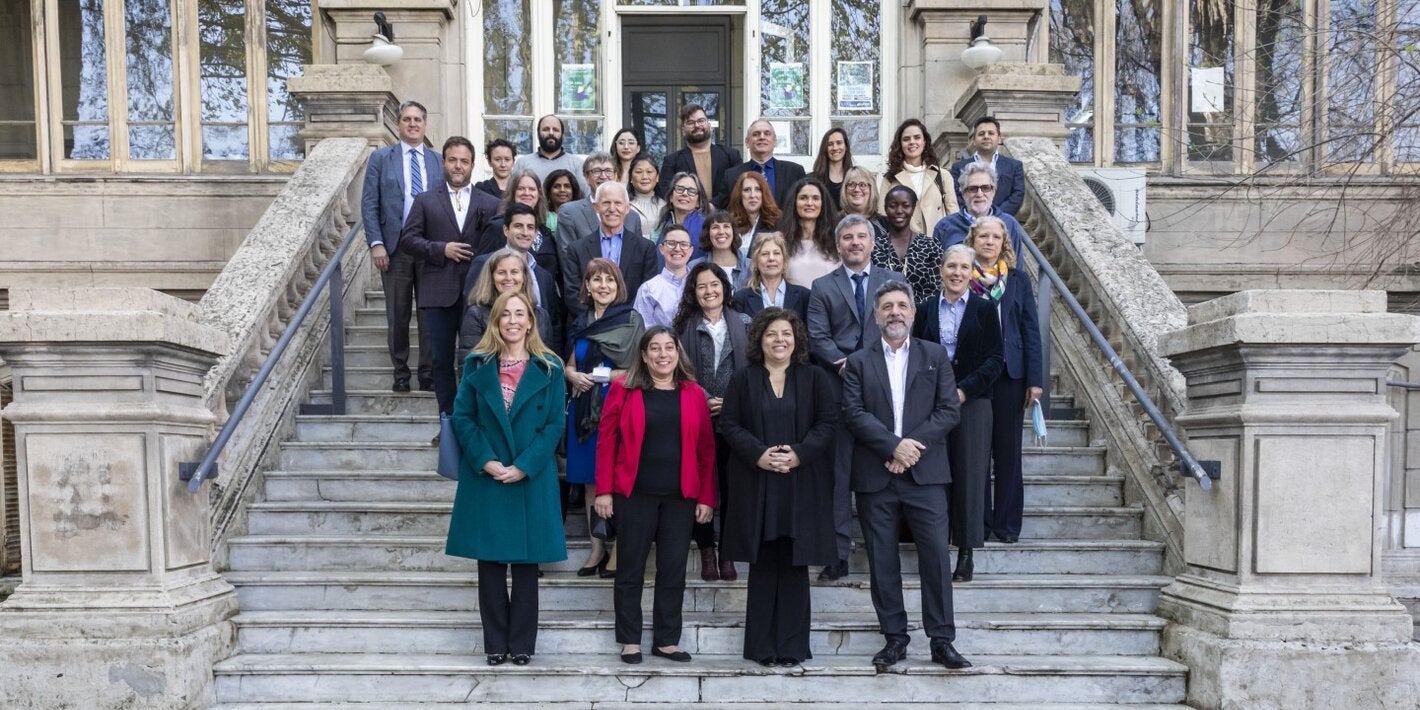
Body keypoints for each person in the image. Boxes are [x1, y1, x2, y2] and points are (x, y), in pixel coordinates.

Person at [842, 279, 971, 671]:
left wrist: (910, 448)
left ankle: (942, 640)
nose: (895, 312)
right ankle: (894, 638)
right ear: (876, 315)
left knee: (935, 559)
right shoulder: (858, 362)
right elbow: (853, 412)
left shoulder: (935, 355)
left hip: (926, 475)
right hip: (876, 474)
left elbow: (948, 410)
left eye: (901, 305)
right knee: (882, 560)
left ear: (913, 312)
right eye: (887, 306)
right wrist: (892, 447)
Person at [445, 290, 567, 667]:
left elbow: (554, 424)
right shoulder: (477, 364)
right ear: (496, 322)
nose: (513, 321)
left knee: (527, 567)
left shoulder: (550, 366)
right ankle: (495, 643)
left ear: (530, 322)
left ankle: (523, 644)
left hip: (530, 476)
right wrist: (486, 460)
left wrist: (525, 465)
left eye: (520, 314)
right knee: (491, 566)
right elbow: (463, 417)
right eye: (505, 314)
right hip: (488, 475)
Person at [719, 308, 839, 666]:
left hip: (800, 483)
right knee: (762, 563)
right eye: (771, 334)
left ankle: (792, 647)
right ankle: (761, 647)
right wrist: (758, 454)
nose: (779, 340)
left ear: (796, 339)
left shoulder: (815, 378)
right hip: (757, 482)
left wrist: (799, 454)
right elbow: (730, 424)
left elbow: (827, 423)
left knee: (794, 564)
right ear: (759, 339)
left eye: (786, 333)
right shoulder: (743, 379)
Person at [594, 327, 716, 665]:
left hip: (681, 497)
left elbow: (706, 449)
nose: (663, 354)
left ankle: (666, 640)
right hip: (634, 494)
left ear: (678, 353)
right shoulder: (623, 388)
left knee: (673, 570)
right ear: (644, 356)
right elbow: (607, 442)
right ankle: (630, 640)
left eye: (669, 348)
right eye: (655, 348)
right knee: (630, 569)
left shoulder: (694, 393)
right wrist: (603, 490)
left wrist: (706, 497)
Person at [806, 215, 904, 581]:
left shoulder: (893, 282)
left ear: (873, 243)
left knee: (881, 470)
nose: (855, 242)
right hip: (837, 387)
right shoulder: (822, 286)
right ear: (838, 245)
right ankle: (838, 552)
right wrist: (849, 365)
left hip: (884, 390)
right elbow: (818, 337)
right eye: (847, 237)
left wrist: (870, 366)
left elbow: (900, 329)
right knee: (838, 473)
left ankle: (882, 549)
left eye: (862, 236)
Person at [912, 244, 1004, 582]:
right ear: (941, 270)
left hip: (973, 402)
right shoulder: (924, 309)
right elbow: (915, 353)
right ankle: (934, 546)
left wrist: (964, 390)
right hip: (931, 402)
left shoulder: (985, 309)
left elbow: (995, 359)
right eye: (952, 266)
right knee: (933, 472)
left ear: (971, 272)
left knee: (970, 475)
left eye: (964, 267)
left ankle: (966, 553)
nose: (957, 273)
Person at [398, 136, 501, 421]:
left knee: (476, 360)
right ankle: (447, 423)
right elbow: (408, 240)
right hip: (438, 292)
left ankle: (473, 422)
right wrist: (441, 249)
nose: (458, 166)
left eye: (464, 161)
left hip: (478, 295)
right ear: (443, 162)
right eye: (453, 160)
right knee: (441, 361)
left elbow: (496, 249)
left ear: (472, 165)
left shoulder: (491, 203)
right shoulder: (425, 200)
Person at [965, 217, 1043, 545]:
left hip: (1011, 375)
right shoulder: (962, 276)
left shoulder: (1018, 280)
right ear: (973, 240)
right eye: (983, 235)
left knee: (1009, 452)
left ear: (1004, 243)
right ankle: (979, 523)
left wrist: (1035, 380)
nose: (989, 241)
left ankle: (1008, 525)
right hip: (975, 376)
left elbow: (1030, 330)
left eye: (996, 237)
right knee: (977, 452)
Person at [564, 258, 644, 578]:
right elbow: (571, 363)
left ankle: (620, 548)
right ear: (587, 285)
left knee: (619, 479)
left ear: (618, 285)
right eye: (596, 279)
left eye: (609, 280)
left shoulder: (631, 320)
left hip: (618, 407)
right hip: (584, 412)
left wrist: (605, 376)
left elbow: (640, 369)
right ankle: (597, 548)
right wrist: (572, 375)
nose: (603, 286)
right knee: (590, 481)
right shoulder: (580, 320)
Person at [673, 262, 752, 582]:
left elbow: (754, 370)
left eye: (714, 284)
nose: (709, 291)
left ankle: (728, 552)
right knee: (700, 484)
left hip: (736, 418)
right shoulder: (682, 327)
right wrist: (704, 398)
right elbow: (679, 369)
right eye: (701, 286)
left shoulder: (744, 323)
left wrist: (730, 402)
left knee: (733, 487)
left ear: (725, 287)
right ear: (693, 292)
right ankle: (707, 549)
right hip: (696, 415)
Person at [360, 100, 441, 393]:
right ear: (398, 124)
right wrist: (376, 243)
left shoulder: (438, 160)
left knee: (429, 314)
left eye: (418, 119)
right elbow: (369, 202)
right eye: (407, 119)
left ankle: (427, 373)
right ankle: (401, 372)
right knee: (398, 313)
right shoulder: (381, 158)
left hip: (429, 246)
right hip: (395, 247)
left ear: (425, 124)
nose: (412, 124)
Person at [562, 182, 658, 319]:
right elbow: (573, 294)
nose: (612, 209)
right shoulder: (577, 249)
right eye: (606, 203)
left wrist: (623, 321)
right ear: (596, 207)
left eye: (618, 203)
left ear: (627, 208)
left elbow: (646, 292)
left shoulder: (645, 248)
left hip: (630, 324)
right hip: (589, 326)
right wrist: (597, 320)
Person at [457, 247, 557, 365]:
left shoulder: (540, 315)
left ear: (524, 277)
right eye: (501, 272)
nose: (509, 278)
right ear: (491, 277)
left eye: (514, 272)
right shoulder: (476, 315)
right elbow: (469, 365)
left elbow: (546, 361)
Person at [473, 171, 561, 280]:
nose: (527, 193)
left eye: (532, 189)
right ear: (512, 192)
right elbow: (480, 271)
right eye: (521, 189)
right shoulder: (497, 227)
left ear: (538, 194)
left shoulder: (545, 233)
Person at [932, 161, 1028, 258]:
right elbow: (935, 265)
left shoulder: (1010, 224)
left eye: (985, 188)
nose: (979, 194)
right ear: (963, 193)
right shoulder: (945, 226)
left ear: (993, 191)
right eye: (973, 189)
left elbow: (1015, 264)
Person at [879, 118, 957, 235]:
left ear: (924, 142)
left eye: (917, 137)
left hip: (937, 242)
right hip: (904, 243)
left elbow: (954, 216)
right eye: (906, 139)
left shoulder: (942, 175)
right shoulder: (890, 178)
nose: (912, 142)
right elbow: (883, 218)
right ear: (900, 144)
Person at [555, 153, 644, 252]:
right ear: (586, 177)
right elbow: (566, 254)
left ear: (615, 176)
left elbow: (638, 254)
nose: (603, 176)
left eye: (608, 171)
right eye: (596, 171)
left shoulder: (632, 217)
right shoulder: (569, 212)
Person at [872, 185, 947, 303]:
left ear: (913, 208)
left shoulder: (931, 246)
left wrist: (914, 310)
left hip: (923, 312)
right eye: (893, 206)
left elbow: (937, 288)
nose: (899, 211)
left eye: (905, 206)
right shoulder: (875, 247)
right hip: (883, 312)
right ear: (885, 208)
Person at [658, 104, 742, 206]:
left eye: (701, 121)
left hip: (724, 214)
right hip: (687, 214)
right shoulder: (672, 161)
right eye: (690, 123)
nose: (697, 125)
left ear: (709, 125)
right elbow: (667, 192)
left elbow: (738, 186)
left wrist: (713, 205)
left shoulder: (731, 156)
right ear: (683, 130)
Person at [718, 119, 807, 210]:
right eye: (756, 134)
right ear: (747, 142)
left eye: (767, 134)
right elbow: (723, 208)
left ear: (775, 141)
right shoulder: (731, 175)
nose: (762, 137)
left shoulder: (794, 172)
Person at [950, 116, 1026, 216]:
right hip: (970, 222)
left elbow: (1017, 195)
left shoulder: (1014, 166)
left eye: (991, 133)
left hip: (1003, 221)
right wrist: (975, 214)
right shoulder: (958, 167)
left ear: (999, 138)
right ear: (974, 140)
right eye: (981, 134)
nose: (986, 136)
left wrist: (995, 216)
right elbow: (956, 196)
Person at [732, 233, 810, 322]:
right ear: (756, 262)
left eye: (776, 253)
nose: (771, 258)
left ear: (784, 260)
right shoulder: (741, 298)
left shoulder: (804, 296)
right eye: (765, 254)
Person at [779, 177, 840, 288]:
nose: (809, 203)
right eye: (803, 198)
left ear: (823, 204)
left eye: (815, 198)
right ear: (794, 203)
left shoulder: (836, 241)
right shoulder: (781, 241)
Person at [632, 224, 694, 328]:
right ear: (661, 249)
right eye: (671, 243)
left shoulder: (700, 284)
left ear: (691, 250)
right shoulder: (648, 289)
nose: (677, 249)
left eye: (683, 244)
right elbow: (643, 329)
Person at [512, 114, 587, 194]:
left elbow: (586, 196)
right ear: (538, 134)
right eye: (546, 129)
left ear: (562, 135)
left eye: (555, 130)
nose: (551, 133)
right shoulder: (523, 163)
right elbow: (513, 195)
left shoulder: (577, 163)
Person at [727, 170, 781, 258]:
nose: (752, 195)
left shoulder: (778, 221)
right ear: (740, 195)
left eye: (757, 189)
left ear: (764, 194)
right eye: (747, 190)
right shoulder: (729, 223)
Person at [658, 172, 709, 258]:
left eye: (692, 191)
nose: (685, 194)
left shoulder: (706, 226)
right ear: (671, 197)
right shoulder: (662, 224)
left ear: (698, 202)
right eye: (680, 189)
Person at [695, 210, 750, 290]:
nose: (721, 232)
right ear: (707, 233)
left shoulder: (751, 267)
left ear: (733, 232)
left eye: (726, 226)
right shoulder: (695, 266)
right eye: (715, 227)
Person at [838, 166, 887, 242]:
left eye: (863, 185)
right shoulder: (833, 222)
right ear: (845, 189)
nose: (857, 190)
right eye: (852, 185)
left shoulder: (885, 224)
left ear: (872, 190)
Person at [811, 127, 854, 210]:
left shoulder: (855, 178)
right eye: (830, 144)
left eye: (839, 143)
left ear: (846, 147)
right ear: (825, 149)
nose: (835, 148)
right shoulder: (813, 179)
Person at [627, 155, 666, 239]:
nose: (644, 177)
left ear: (657, 177)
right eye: (638, 172)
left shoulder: (666, 207)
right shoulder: (623, 205)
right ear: (631, 178)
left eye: (649, 172)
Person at [543, 169, 582, 236]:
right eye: (557, 186)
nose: (562, 190)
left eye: (567, 186)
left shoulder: (582, 215)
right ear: (549, 191)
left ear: (574, 190)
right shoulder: (542, 216)